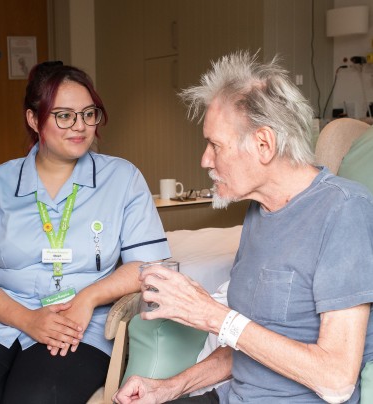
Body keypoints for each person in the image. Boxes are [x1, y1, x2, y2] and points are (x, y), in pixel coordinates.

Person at [114, 51, 373, 404]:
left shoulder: (344, 211)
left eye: (215, 145)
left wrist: (214, 316)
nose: (205, 159)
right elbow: (251, 348)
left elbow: (337, 380)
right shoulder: (259, 212)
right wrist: (170, 387)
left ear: (263, 144)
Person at [0, 61, 169, 404]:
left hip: (79, 325)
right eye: (64, 116)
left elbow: (147, 266)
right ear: (34, 119)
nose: (80, 126)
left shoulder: (123, 179)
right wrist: (27, 319)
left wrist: (87, 299)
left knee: (36, 397)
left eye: (89, 114)